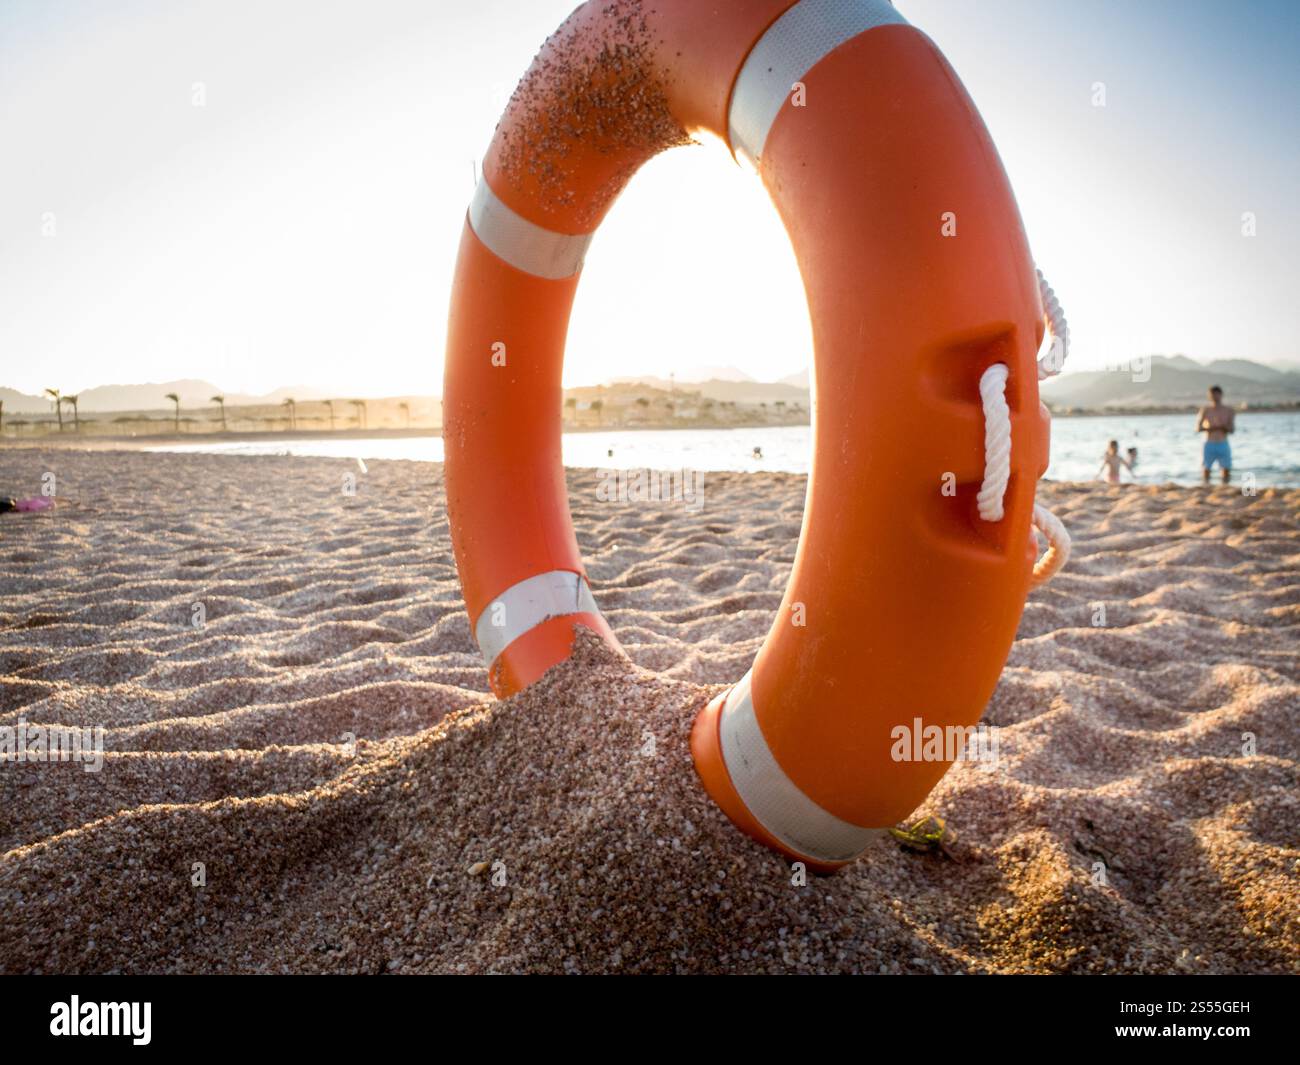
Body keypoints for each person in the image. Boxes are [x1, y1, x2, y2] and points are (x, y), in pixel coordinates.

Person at [1195, 385, 1235, 484]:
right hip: (1209, 443)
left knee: (1226, 470)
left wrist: (1222, 427)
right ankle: (1206, 487)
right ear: (1209, 396)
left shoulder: (1229, 410)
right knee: (1206, 470)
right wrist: (1211, 428)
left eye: (1217, 394)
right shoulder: (1205, 410)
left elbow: (1232, 429)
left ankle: (1225, 488)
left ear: (1221, 395)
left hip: (1223, 443)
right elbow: (1197, 428)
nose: (1215, 397)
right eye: (1212, 395)